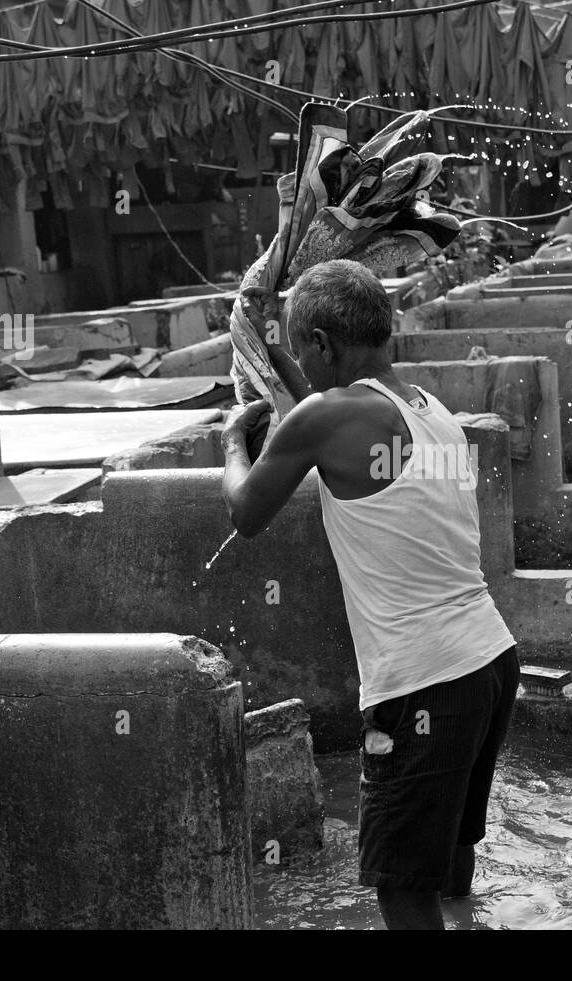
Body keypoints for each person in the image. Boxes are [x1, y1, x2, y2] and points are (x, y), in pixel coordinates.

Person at [221, 259, 520, 931]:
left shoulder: (331, 417)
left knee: (398, 888)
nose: (301, 361)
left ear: (324, 345)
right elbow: (317, 418)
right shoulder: (428, 409)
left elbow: (245, 512)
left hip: (422, 684)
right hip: (488, 662)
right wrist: (276, 360)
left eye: (303, 349)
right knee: (447, 868)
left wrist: (231, 444)